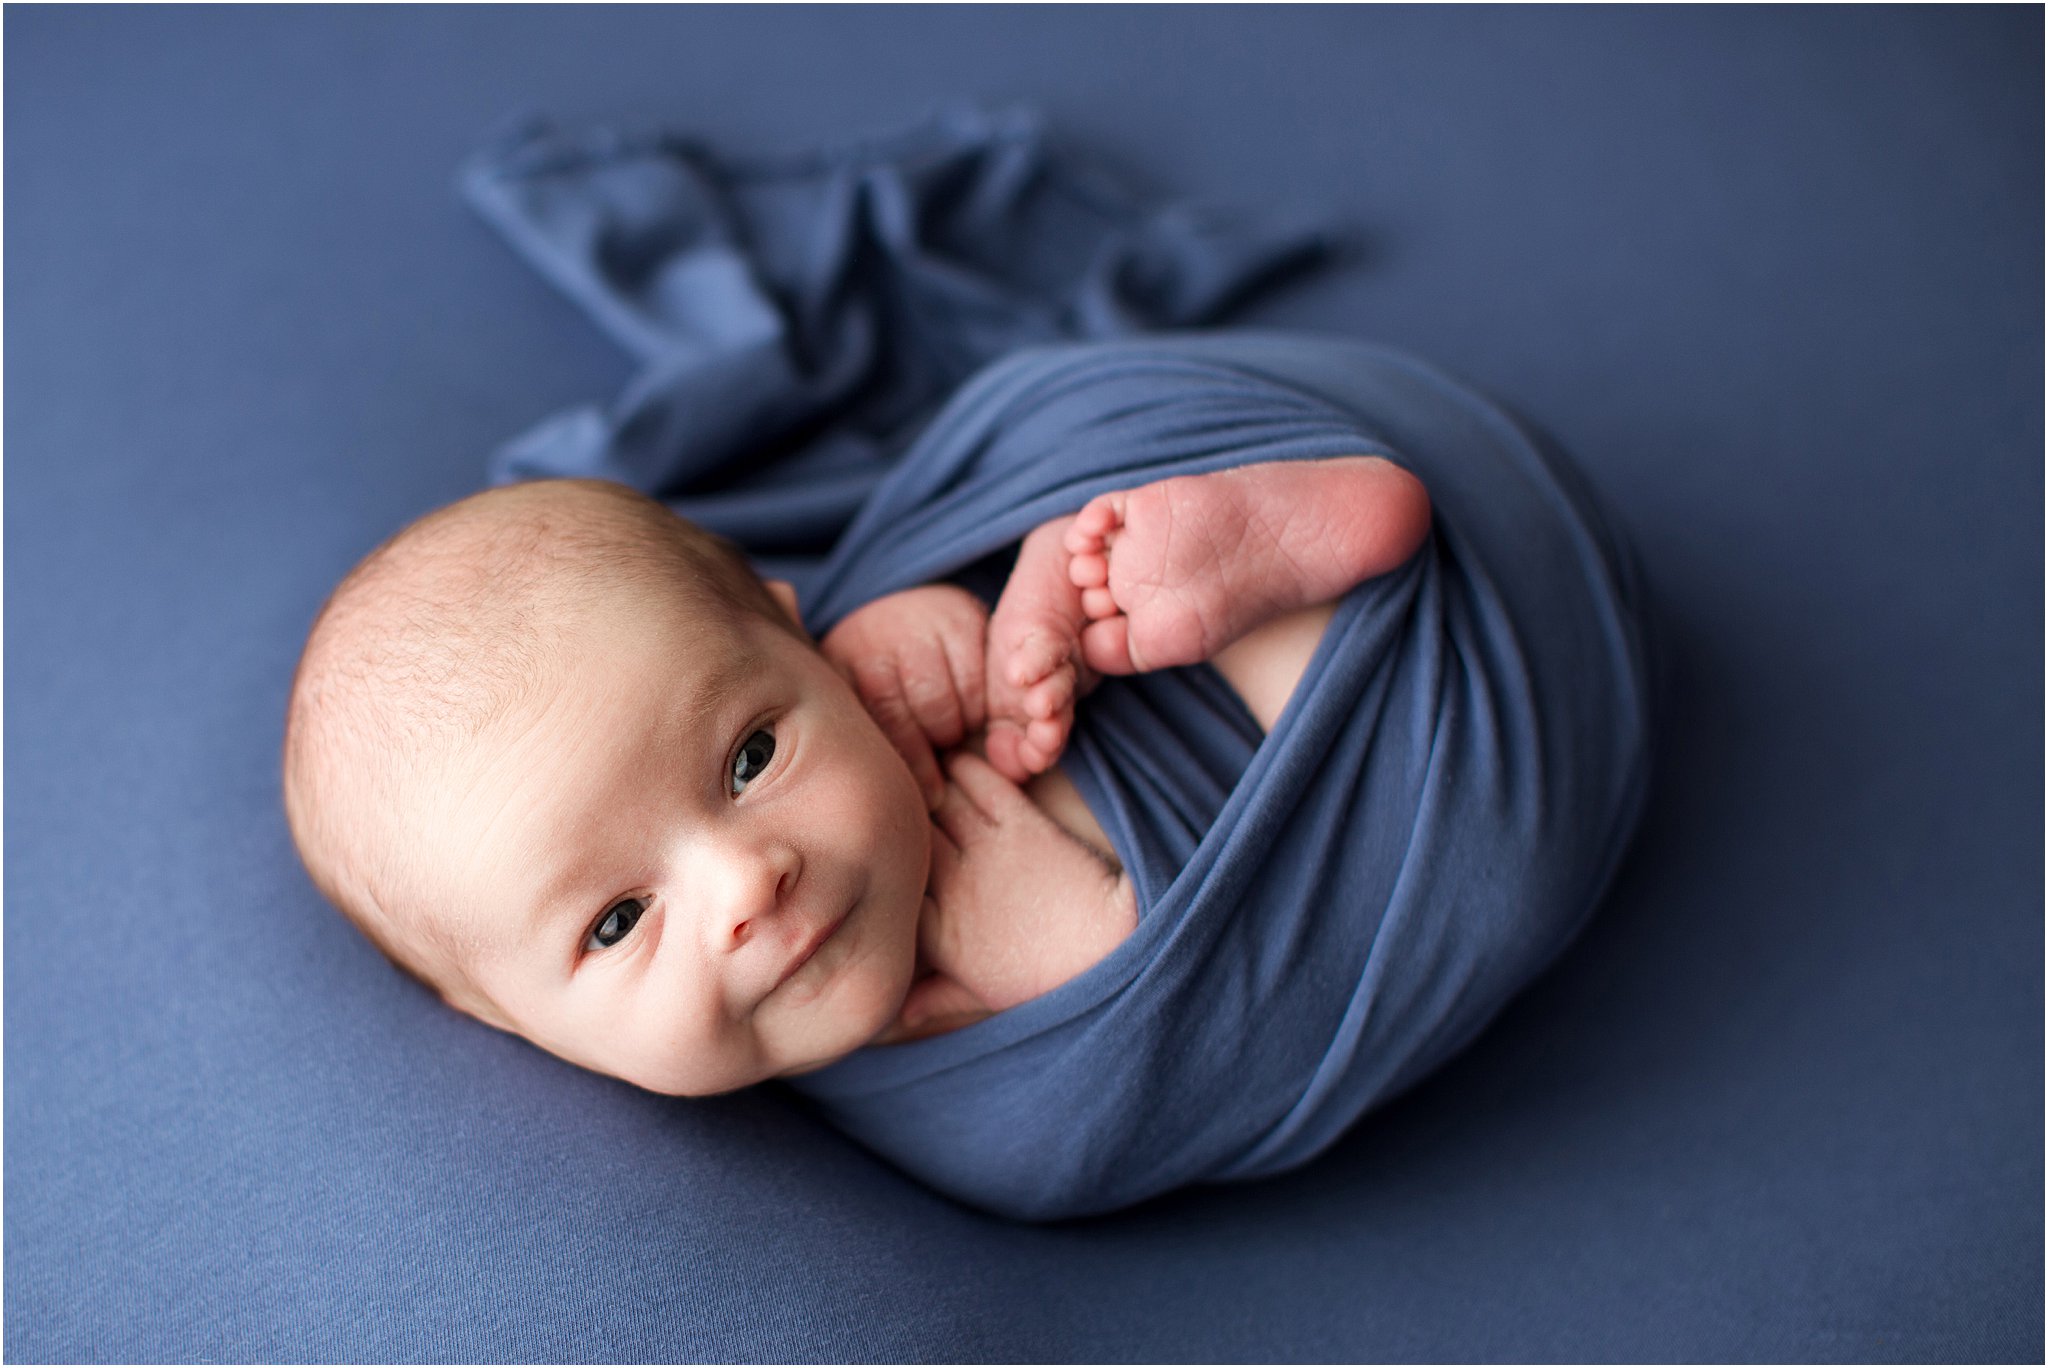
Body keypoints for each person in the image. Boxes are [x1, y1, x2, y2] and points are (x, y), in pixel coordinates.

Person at [281, 458, 1431, 1097]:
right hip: (1365, 834)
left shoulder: (852, 679)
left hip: (1228, 694)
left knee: (1030, 636)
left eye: (749, 757)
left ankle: (1148, 579)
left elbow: (881, 637)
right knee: (1401, 866)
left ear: (795, 634)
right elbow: (1234, 1087)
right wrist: (1089, 963)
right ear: (504, 1018)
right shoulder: (878, 1085)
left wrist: (926, 632)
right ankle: (1265, 618)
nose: (744, 885)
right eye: (620, 920)